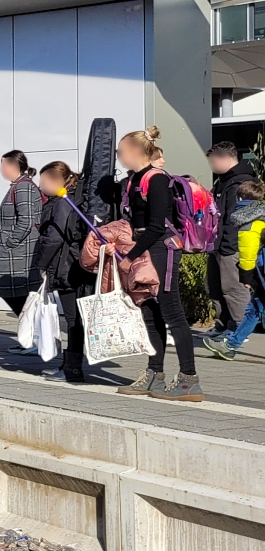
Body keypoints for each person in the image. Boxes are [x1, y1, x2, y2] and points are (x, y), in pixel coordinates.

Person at [113, 126, 204, 401]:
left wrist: (129, 258)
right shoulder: (133, 180)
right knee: (149, 314)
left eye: (122, 151)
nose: (119, 156)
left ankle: (189, 379)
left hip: (161, 248)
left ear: (137, 152)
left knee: (172, 312)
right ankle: (154, 373)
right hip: (144, 247)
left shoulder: (157, 180)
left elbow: (154, 227)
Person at [33, 161, 96, 383]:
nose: (41, 186)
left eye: (43, 182)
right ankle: (68, 364)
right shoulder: (70, 198)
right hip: (71, 265)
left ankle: (73, 369)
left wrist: (41, 264)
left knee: (72, 319)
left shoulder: (62, 202)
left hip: (68, 267)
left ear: (57, 181)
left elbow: (55, 237)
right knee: (72, 318)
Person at [203, 178, 265, 360]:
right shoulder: (261, 215)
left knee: (254, 309)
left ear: (238, 199)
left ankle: (231, 344)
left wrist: (245, 278)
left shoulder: (249, 221)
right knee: (254, 308)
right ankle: (230, 345)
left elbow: (247, 254)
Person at [206, 141, 256, 337]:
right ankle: (223, 325)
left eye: (213, 161)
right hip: (217, 245)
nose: (212, 166)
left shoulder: (241, 183)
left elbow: (235, 218)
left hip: (231, 246)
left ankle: (239, 330)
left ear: (224, 159)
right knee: (214, 287)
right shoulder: (222, 181)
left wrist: (227, 245)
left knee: (233, 289)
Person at [0, 150, 43, 314]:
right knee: (18, 296)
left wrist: (10, 243)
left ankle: (35, 335)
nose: (0, 169)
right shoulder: (19, 185)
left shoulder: (23, 187)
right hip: (17, 250)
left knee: (21, 295)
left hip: (20, 252)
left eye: (2, 165)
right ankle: (33, 334)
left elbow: (26, 220)